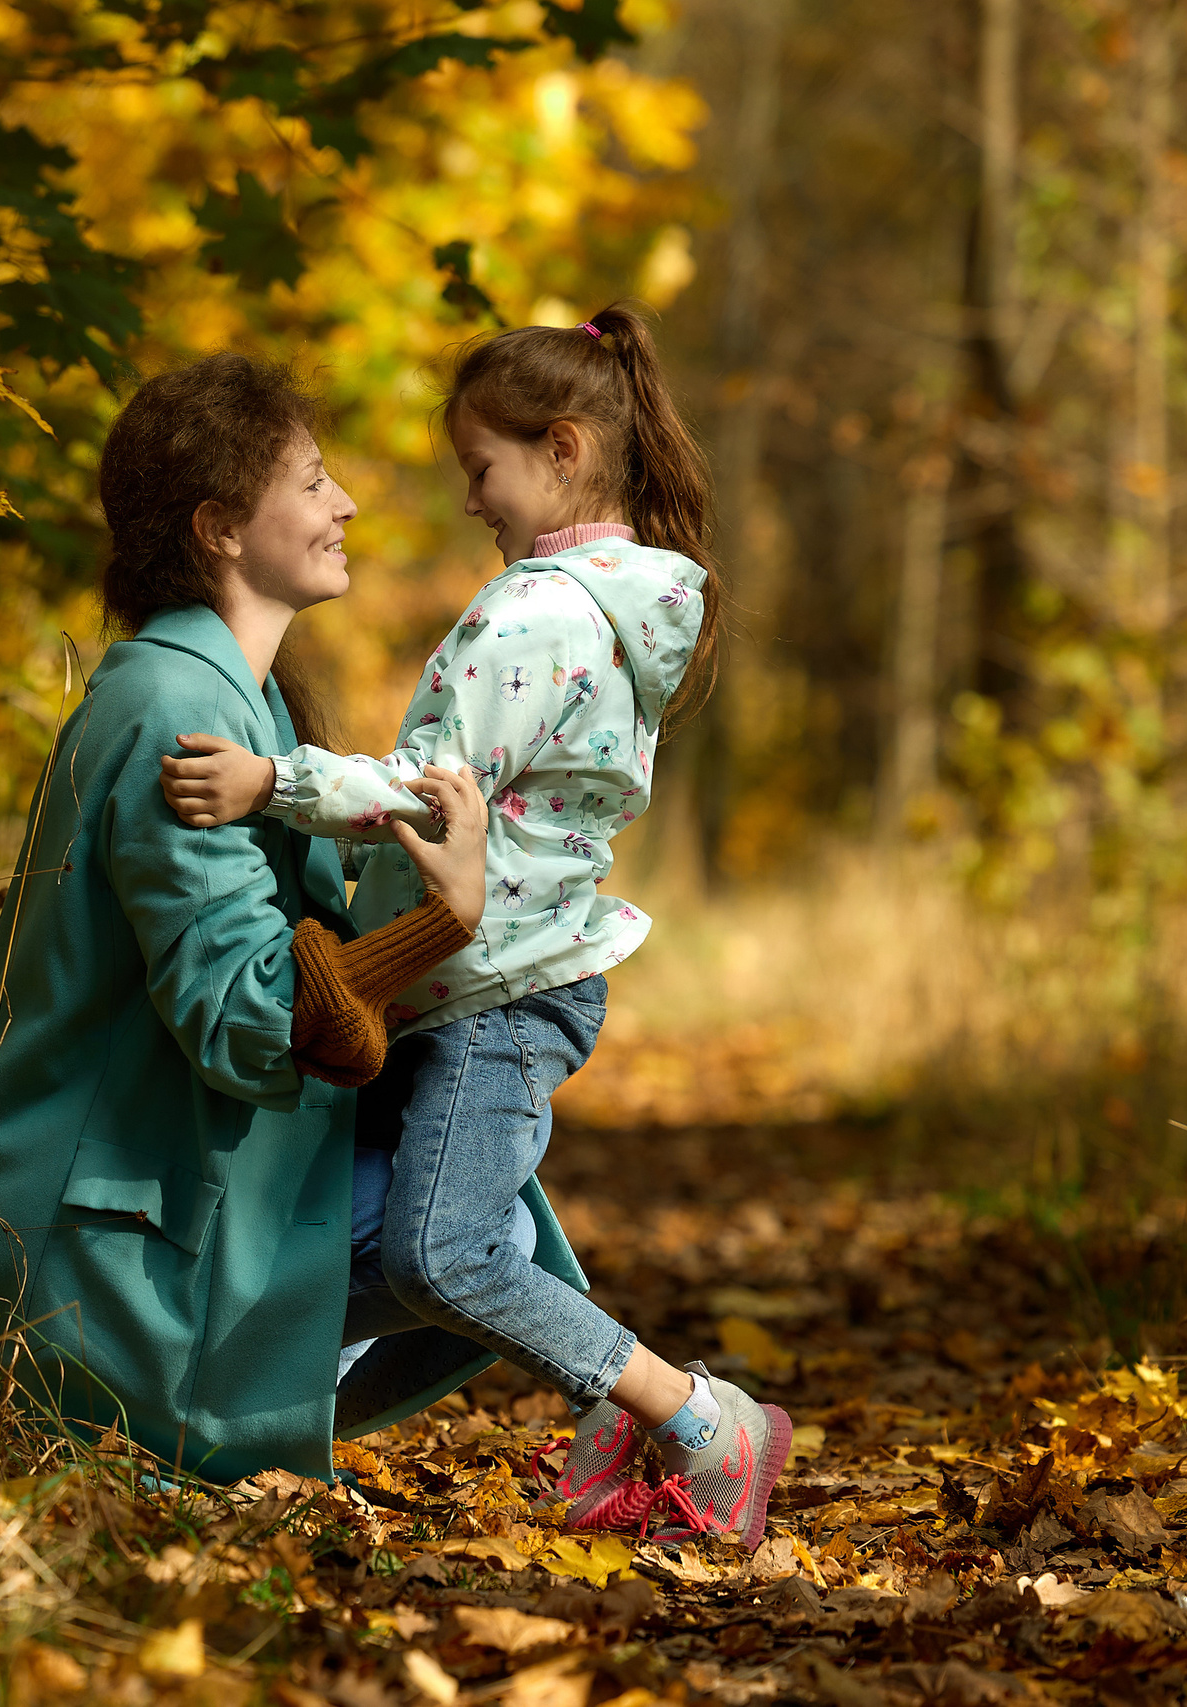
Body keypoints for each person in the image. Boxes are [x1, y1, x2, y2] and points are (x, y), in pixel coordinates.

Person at [158, 305, 788, 1546]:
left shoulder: (537, 611)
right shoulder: (614, 607)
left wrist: (272, 783)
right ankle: (260, 1411)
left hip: (496, 998)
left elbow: (427, 788)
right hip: (481, 987)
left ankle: (693, 1417)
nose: (469, 500)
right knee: (386, 1244)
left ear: (561, 450)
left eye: (480, 468)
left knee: (441, 1259)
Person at [0, 354, 516, 1485]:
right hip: (97, 1250)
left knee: (485, 1206)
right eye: (313, 482)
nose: (347, 504)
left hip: (160, 1199)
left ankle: (258, 1421)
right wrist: (441, 922)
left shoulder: (241, 704)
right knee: (471, 1231)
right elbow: (245, 1020)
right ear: (220, 529)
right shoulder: (178, 708)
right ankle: (204, 1434)